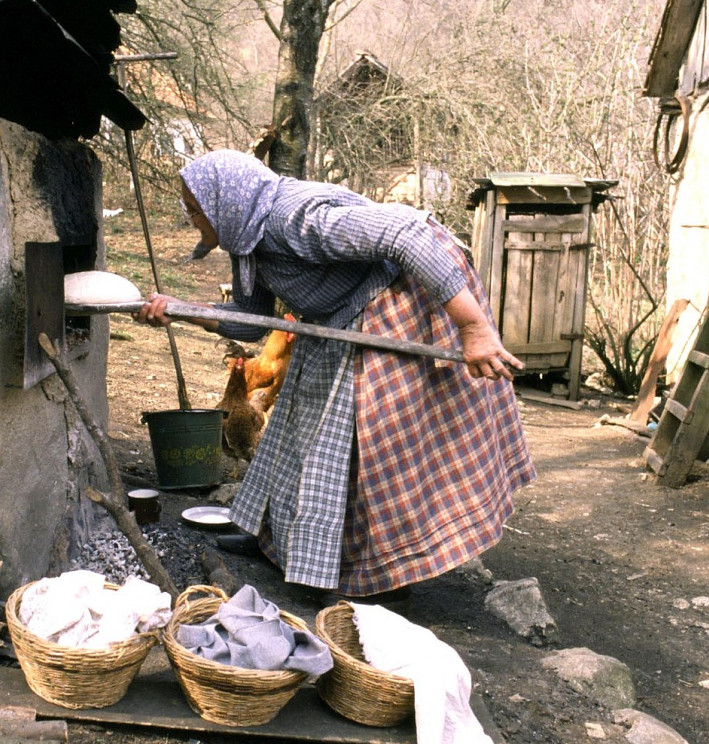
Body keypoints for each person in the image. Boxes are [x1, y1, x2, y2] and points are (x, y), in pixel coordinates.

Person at [134, 149, 536, 603]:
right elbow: (253, 321)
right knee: (296, 427)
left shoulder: (293, 217)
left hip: (397, 301)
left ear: (225, 201)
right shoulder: (248, 238)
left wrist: (473, 326)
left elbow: (409, 237)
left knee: (361, 444)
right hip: (338, 312)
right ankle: (278, 543)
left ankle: (374, 571)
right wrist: (183, 311)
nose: (192, 219)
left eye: (194, 209)